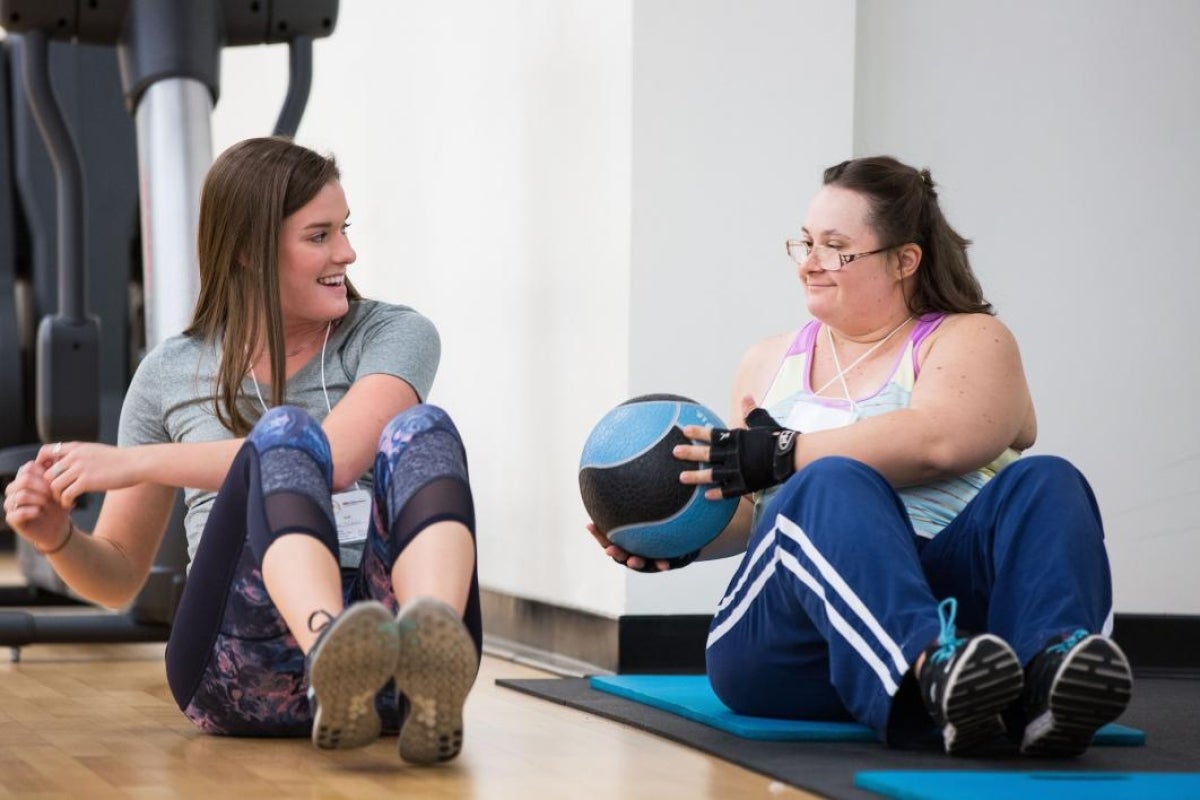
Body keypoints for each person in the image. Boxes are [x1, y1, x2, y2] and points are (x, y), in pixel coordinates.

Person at [590, 155, 1132, 757]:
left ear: (904, 259)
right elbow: (751, 515)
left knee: (1048, 480)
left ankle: (1049, 679)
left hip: (958, 603)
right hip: (793, 642)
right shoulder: (767, 364)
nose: (810, 263)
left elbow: (940, 441)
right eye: (806, 242)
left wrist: (785, 451)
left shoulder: (969, 339)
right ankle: (934, 672)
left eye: (837, 247)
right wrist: (682, 536)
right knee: (829, 483)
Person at [2, 137, 481, 764]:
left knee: (426, 429)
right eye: (319, 236)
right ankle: (330, 650)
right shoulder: (169, 373)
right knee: (282, 435)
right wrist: (56, 537)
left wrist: (137, 461)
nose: (347, 252)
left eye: (344, 229)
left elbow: (333, 460)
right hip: (236, 666)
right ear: (249, 253)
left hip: (390, 671)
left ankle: (427, 652)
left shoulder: (396, 333)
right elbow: (119, 576)